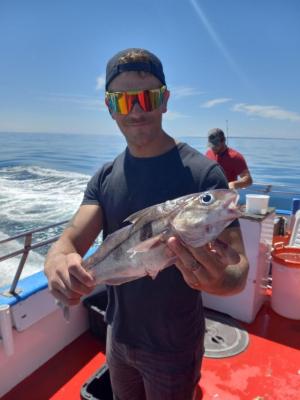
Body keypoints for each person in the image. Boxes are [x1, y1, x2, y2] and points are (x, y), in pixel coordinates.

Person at [44, 48, 249, 400]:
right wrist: (56, 262)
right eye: (123, 101)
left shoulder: (203, 174)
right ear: (110, 108)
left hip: (175, 347)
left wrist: (221, 279)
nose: (137, 110)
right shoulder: (104, 177)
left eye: (147, 97)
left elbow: (239, 270)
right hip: (117, 336)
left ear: (165, 100)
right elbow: (69, 242)